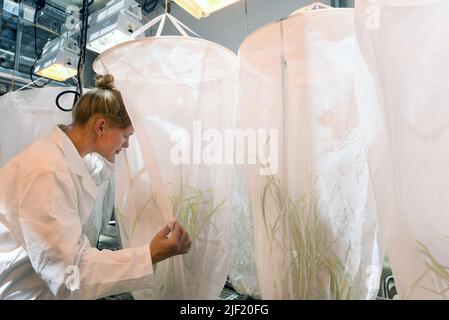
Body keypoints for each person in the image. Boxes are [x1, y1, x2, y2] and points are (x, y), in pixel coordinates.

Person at [0, 74, 191, 299]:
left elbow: (94, 172)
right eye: (126, 135)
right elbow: (70, 273)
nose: (128, 145)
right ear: (101, 126)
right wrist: (149, 255)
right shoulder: (46, 170)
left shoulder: (63, 155)